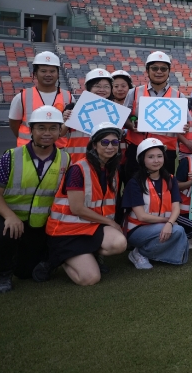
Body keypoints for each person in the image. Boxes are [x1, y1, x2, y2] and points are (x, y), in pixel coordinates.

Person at [0, 106, 70, 294]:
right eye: (41, 128)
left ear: (60, 131)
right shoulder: (11, 156)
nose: (47, 133)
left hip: (36, 222)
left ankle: (21, 255)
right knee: (5, 234)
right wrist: (10, 216)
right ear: (31, 130)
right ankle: (2, 275)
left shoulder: (65, 159)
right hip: (3, 214)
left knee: (25, 272)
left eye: (53, 128)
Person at [40, 122, 127, 286]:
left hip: (92, 226)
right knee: (90, 279)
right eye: (105, 142)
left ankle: (87, 254)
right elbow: (77, 208)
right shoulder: (78, 169)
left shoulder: (112, 170)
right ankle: (58, 257)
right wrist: (110, 222)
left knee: (119, 243)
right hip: (66, 231)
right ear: (94, 145)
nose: (110, 147)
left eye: (114, 142)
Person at [122, 138, 189, 270]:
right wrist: (168, 222)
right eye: (150, 157)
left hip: (160, 226)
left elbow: (176, 207)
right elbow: (141, 216)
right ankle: (139, 253)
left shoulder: (170, 179)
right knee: (178, 231)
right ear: (142, 159)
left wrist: (169, 224)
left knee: (178, 233)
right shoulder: (135, 182)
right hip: (137, 229)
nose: (156, 160)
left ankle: (146, 251)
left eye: (159, 156)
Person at [123, 51, 189, 175]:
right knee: (134, 184)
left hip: (166, 151)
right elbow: (123, 118)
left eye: (163, 68)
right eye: (154, 68)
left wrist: (185, 127)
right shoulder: (134, 92)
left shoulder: (179, 96)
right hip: (138, 148)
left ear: (169, 71)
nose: (159, 72)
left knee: (163, 186)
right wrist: (131, 125)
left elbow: (186, 125)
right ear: (147, 70)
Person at [8, 51, 72, 148]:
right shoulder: (22, 97)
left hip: (59, 151)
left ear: (58, 74)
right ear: (35, 74)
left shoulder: (68, 97)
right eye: (43, 71)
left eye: (52, 71)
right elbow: (14, 124)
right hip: (28, 151)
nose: (48, 74)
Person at [62, 68, 115, 162]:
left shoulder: (115, 111)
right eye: (97, 86)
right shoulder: (73, 108)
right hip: (75, 161)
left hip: (105, 163)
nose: (102, 90)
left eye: (106, 87)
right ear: (89, 87)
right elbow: (60, 134)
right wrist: (66, 121)